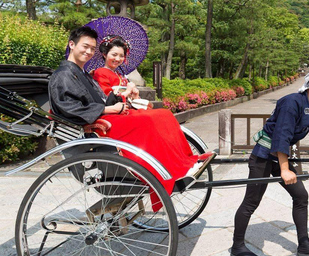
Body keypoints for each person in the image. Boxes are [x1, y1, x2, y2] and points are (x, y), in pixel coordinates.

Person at [48, 26, 213, 193]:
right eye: (85, 46)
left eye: (92, 48)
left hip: (105, 115)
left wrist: (116, 102)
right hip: (95, 125)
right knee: (148, 120)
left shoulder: (81, 73)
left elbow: (103, 99)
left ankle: (184, 162)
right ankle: (168, 172)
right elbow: (71, 107)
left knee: (163, 114)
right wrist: (108, 109)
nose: (89, 51)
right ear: (71, 44)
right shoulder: (63, 75)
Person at [230, 70, 309, 256]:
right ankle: (237, 246)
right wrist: (285, 169)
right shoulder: (291, 102)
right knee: (251, 202)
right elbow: (281, 135)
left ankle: (304, 244)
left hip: (281, 155)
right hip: (263, 156)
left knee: (301, 196)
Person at [91, 35, 142, 104]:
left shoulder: (120, 75)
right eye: (114, 55)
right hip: (113, 109)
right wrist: (127, 91)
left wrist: (135, 96)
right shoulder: (100, 73)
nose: (118, 59)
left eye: (121, 56)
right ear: (105, 54)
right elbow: (107, 98)